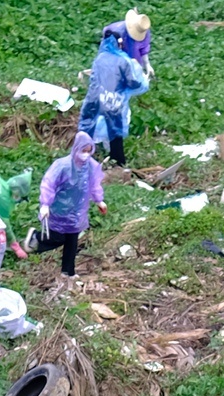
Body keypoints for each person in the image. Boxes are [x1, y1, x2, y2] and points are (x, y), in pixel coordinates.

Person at [79, 20, 150, 167]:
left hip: (94, 98)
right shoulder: (123, 61)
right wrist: (144, 80)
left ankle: (82, 158)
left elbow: (93, 78)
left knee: (88, 127)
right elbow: (133, 83)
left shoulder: (100, 58)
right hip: (112, 100)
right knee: (114, 131)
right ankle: (117, 162)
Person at [35, 132, 105, 278]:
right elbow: (48, 183)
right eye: (83, 150)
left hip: (77, 212)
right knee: (58, 237)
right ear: (76, 148)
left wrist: (99, 200)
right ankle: (35, 239)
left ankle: (68, 271)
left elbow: (94, 185)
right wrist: (45, 204)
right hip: (60, 208)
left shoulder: (91, 166)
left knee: (72, 243)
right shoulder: (63, 165)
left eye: (88, 151)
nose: (85, 154)